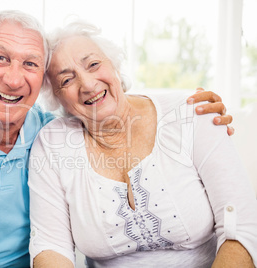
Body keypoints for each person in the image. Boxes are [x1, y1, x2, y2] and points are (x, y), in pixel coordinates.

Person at [0, 10, 233, 268]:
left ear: (44, 81)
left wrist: (187, 107)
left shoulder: (58, 133)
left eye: (31, 64)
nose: (14, 79)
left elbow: (108, 99)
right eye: (1, 58)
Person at [28, 21, 257, 267]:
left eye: (93, 64)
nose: (88, 84)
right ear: (57, 97)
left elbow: (241, 229)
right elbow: (51, 247)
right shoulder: (53, 143)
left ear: (113, 64)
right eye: (66, 80)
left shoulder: (192, 113)